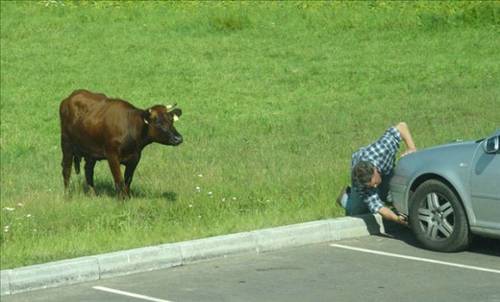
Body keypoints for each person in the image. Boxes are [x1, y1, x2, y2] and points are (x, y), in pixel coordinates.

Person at [337, 122, 416, 226]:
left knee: (392, 196)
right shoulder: (362, 185)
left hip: (386, 171)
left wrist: (411, 148)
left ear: (375, 171)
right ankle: (345, 197)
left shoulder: (382, 149)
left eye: (374, 183)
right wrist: (396, 219)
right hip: (363, 170)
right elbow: (379, 207)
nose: (374, 187)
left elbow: (402, 126)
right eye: (372, 186)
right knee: (355, 212)